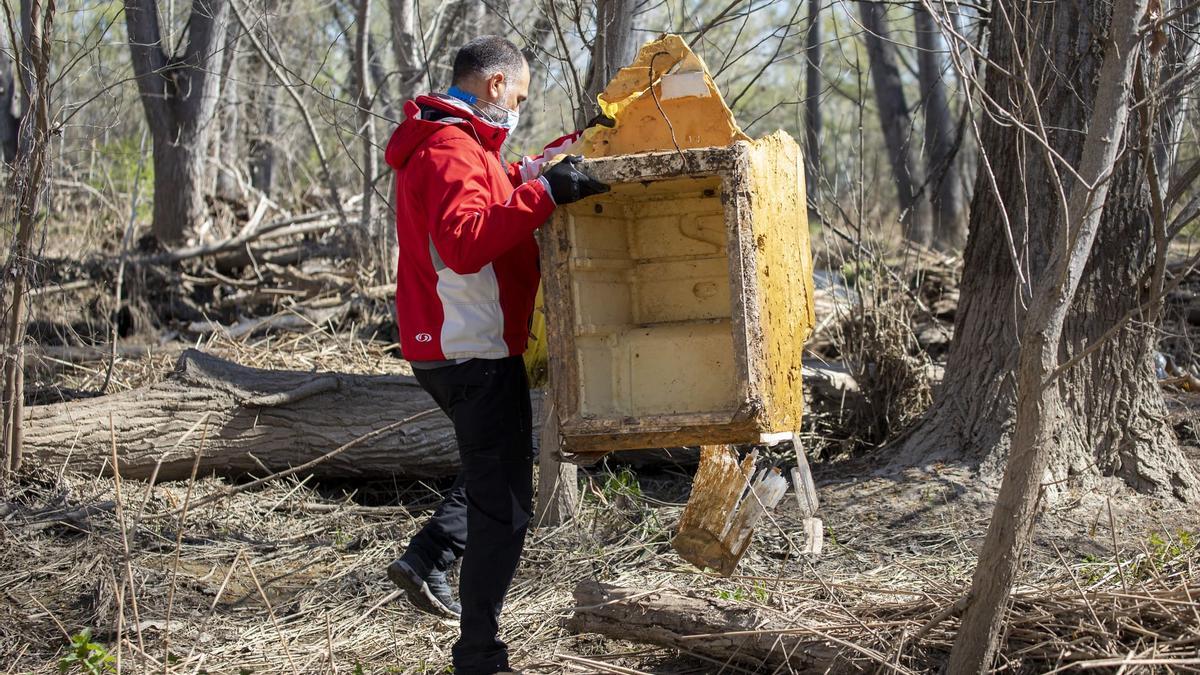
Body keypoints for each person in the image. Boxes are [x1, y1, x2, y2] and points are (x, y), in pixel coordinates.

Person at [382, 35, 609, 675]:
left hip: (464, 347)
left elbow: (505, 184)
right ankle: (478, 654)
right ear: (494, 85)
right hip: (469, 351)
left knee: (497, 484)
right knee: (504, 510)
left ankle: (431, 560)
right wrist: (546, 196)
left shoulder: (461, 143)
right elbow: (464, 242)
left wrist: (567, 154)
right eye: (520, 94)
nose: (518, 106)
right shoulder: (451, 147)